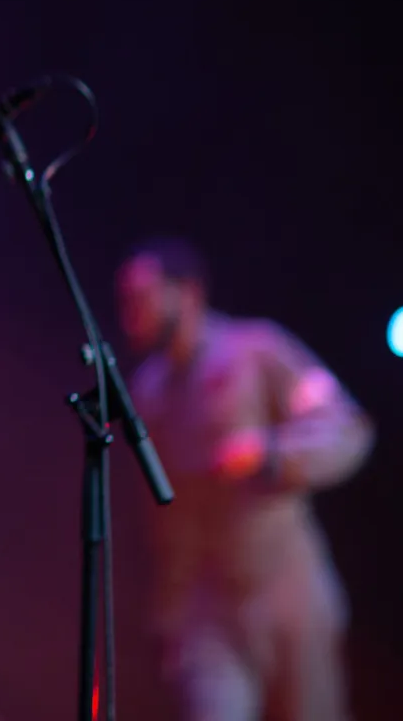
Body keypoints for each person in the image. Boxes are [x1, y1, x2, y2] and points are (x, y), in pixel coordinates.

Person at [115, 238, 373, 721]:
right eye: (126, 301)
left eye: (143, 296)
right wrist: (171, 613)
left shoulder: (257, 350)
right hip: (208, 606)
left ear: (187, 293)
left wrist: (273, 456)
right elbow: (162, 519)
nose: (132, 312)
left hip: (286, 588)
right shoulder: (147, 392)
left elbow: (346, 430)